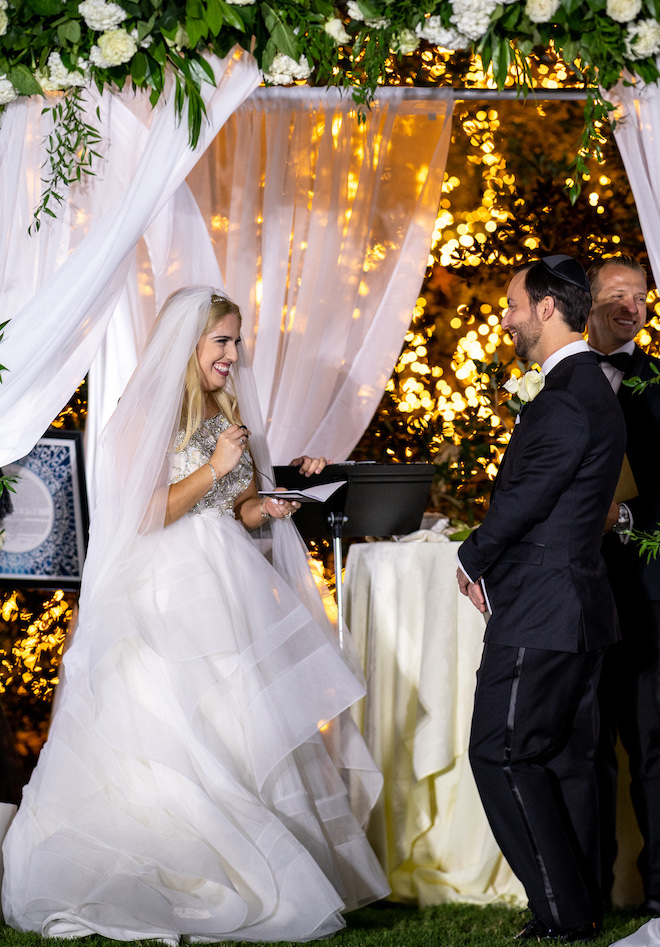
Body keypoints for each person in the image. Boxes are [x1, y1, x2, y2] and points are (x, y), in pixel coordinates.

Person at [1, 286, 389, 942]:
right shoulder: (142, 412)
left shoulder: (228, 408)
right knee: (172, 727)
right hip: (165, 592)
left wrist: (264, 508)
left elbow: (229, 512)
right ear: (189, 345)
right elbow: (143, 514)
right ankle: (180, 866)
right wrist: (214, 468)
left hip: (227, 583)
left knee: (240, 726)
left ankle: (270, 864)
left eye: (237, 341)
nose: (234, 355)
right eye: (223, 342)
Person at [455, 255, 626, 943]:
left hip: (543, 608)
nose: (506, 317)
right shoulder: (587, 388)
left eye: (514, 305)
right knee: (561, 760)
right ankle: (577, 904)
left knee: (500, 751)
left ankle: (563, 914)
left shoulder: (566, 397)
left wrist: (472, 556)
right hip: (574, 608)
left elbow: (526, 499)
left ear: (548, 309)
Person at [586, 255, 660, 912]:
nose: (631, 307)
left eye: (640, 296)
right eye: (617, 295)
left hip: (645, 590)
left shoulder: (659, 380)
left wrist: (629, 513)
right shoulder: (560, 381)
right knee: (584, 746)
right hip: (576, 592)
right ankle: (592, 889)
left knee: (651, 743)